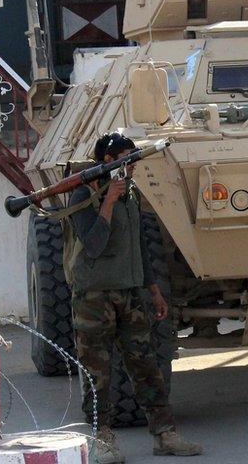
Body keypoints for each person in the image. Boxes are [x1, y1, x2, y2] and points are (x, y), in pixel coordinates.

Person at [68, 133, 202, 460]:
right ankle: (102, 438)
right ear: (106, 161)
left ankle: (165, 434)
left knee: (146, 365)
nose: (130, 167)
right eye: (123, 159)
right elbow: (94, 244)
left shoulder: (130, 193)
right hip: (94, 297)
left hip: (129, 293)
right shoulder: (82, 194)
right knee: (97, 372)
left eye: (132, 159)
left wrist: (153, 289)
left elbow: (139, 244)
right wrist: (108, 202)